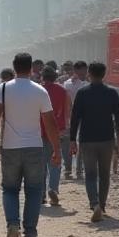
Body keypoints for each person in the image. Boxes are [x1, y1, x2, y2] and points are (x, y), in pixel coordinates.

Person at [0, 53, 62, 237]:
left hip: (10, 147)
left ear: (14, 67)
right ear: (31, 68)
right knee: (34, 191)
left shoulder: (3, 88)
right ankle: (30, 236)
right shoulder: (40, 91)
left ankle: (12, 225)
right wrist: (56, 149)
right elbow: (50, 122)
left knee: (10, 189)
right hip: (34, 147)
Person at [69, 62, 119, 222]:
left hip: (87, 140)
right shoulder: (111, 93)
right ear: (104, 74)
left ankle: (94, 204)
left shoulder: (82, 93)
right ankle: (103, 205)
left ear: (89, 74)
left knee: (90, 174)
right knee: (105, 174)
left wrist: (72, 139)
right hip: (107, 139)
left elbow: (75, 118)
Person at [41, 67, 71, 206]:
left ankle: (41, 194)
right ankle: (53, 189)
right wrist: (65, 128)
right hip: (57, 131)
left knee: (40, 165)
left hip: (40, 131)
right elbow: (67, 111)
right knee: (55, 162)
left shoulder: (39, 90)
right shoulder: (62, 91)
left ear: (43, 77)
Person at [62, 61, 89, 180]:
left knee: (70, 142)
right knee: (79, 142)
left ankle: (69, 169)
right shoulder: (85, 84)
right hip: (82, 116)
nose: (85, 73)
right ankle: (78, 170)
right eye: (84, 70)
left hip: (71, 116)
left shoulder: (66, 84)